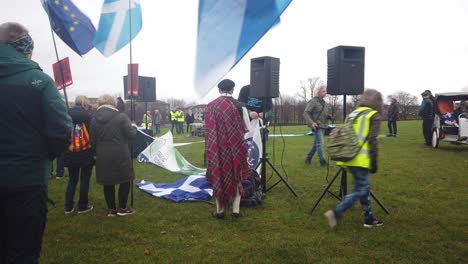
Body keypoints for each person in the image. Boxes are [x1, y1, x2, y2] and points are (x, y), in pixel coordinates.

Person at [0, 22, 72, 263]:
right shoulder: (39, 81)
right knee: (23, 250)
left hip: (24, 175)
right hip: (27, 181)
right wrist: (45, 156)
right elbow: (62, 130)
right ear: (25, 49)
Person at [324, 89, 384, 228]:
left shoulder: (353, 114)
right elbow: (373, 141)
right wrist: (374, 163)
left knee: (364, 187)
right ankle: (336, 212)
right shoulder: (373, 115)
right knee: (361, 190)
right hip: (361, 159)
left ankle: (369, 218)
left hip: (348, 156)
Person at [205, 79, 250, 219]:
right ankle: (236, 211)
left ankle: (220, 211)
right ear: (232, 90)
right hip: (235, 147)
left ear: (219, 90)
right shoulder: (239, 106)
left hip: (216, 148)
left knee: (218, 175)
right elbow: (247, 127)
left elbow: (208, 129)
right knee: (236, 176)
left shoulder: (211, 106)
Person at [90, 95, 137, 217]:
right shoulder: (121, 117)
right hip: (120, 153)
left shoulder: (94, 119)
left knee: (108, 182)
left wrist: (95, 154)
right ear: (113, 103)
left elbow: (92, 140)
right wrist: (134, 127)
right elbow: (131, 134)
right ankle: (122, 208)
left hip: (102, 154)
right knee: (125, 179)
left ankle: (111, 209)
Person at [62, 96, 95, 215]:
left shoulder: (66, 113)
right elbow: (93, 134)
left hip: (70, 152)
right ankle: (82, 206)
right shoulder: (88, 116)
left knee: (72, 180)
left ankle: (68, 206)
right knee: (84, 181)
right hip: (86, 152)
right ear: (85, 103)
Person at [303, 85, 331, 167]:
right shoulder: (313, 101)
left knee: (316, 144)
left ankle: (308, 158)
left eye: (325, 91)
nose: (325, 92)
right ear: (318, 92)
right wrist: (311, 123)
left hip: (323, 126)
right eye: (323, 91)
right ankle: (322, 162)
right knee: (320, 144)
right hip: (317, 126)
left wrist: (329, 117)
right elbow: (306, 113)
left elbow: (324, 114)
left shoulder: (325, 104)